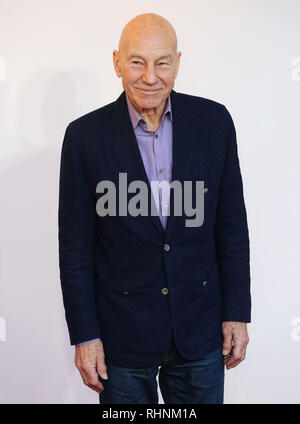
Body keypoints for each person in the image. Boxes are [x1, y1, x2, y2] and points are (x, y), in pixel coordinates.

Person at [58, 12, 251, 404]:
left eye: (162, 62)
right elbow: (76, 248)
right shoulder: (84, 137)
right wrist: (85, 335)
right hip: (121, 336)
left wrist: (237, 312)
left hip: (199, 330)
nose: (150, 76)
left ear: (178, 63)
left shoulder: (215, 123)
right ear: (117, 62)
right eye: (136, 62)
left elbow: (231, 228)